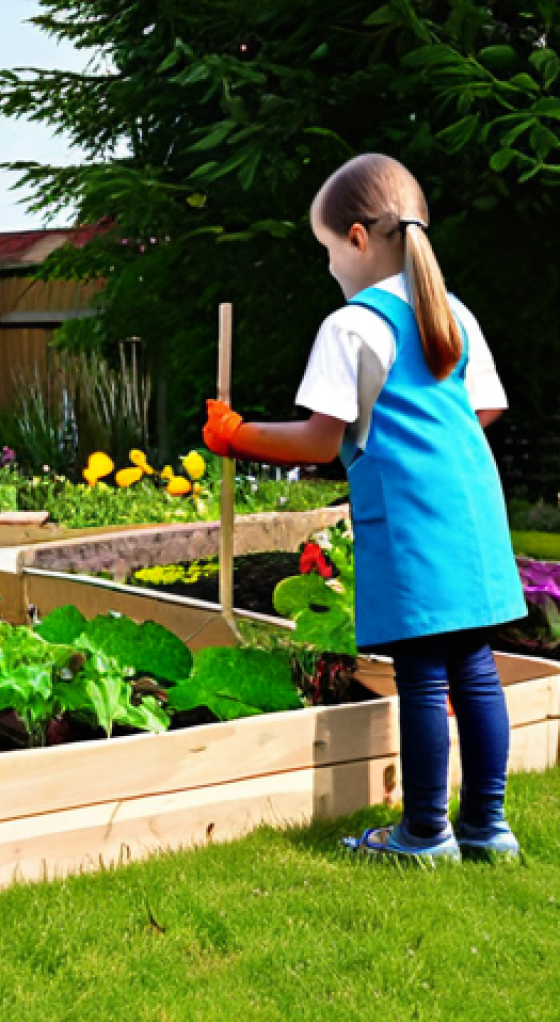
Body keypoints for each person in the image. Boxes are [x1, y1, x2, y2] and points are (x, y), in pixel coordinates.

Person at [203, 153, 527, 862]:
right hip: (471, 508)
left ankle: (422, 834)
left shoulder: (352, 326)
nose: (329, 269)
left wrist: (237, 435)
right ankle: (488, 828)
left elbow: (320, 442)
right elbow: (488, 406)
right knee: (474, 666)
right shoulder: (453, 310)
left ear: (356, 238)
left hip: (410, 518)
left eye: (326, 250)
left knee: (419, 674)